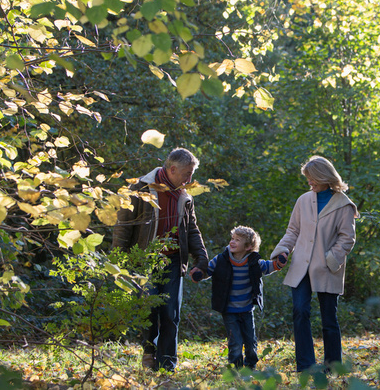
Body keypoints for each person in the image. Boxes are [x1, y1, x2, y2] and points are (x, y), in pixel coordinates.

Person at [112, 147, 209, 372]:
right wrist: (119, 263)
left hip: (173, 261)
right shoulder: (139, 189)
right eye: (187, 173)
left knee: (170, 312)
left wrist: (201, 258)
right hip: (144, 260)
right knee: (149, 310)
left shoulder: (185, 196)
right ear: (172, 169)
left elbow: (192, 230)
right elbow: (123, 227)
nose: (190, 179)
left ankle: (167, 364)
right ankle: (149, 352)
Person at [270, 156, 358, 373]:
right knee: (300, 311)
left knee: (329, 318)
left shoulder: (344, 205)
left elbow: (347, 238)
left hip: (327, 268)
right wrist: (282, 251)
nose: (309, 182)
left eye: (312, 178)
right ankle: (305, 366)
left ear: (324, 176)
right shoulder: (303, 200)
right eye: (307, 179)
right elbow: (293, 231)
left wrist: (331, 258)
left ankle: (332, 367)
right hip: (301, 267)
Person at [197, 225, 286, 369]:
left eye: (237, 240)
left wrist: (279, 263)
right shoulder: (221, 260)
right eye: (232, 238)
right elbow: (207, 271)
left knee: (250, 341)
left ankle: (250, 365)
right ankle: (235, 368)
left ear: (248, 247)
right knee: (235, 342)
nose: (232, 242)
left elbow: (269, 266)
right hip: (229, 310)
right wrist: (198, 273)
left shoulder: (254, 262)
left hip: (246, 309)